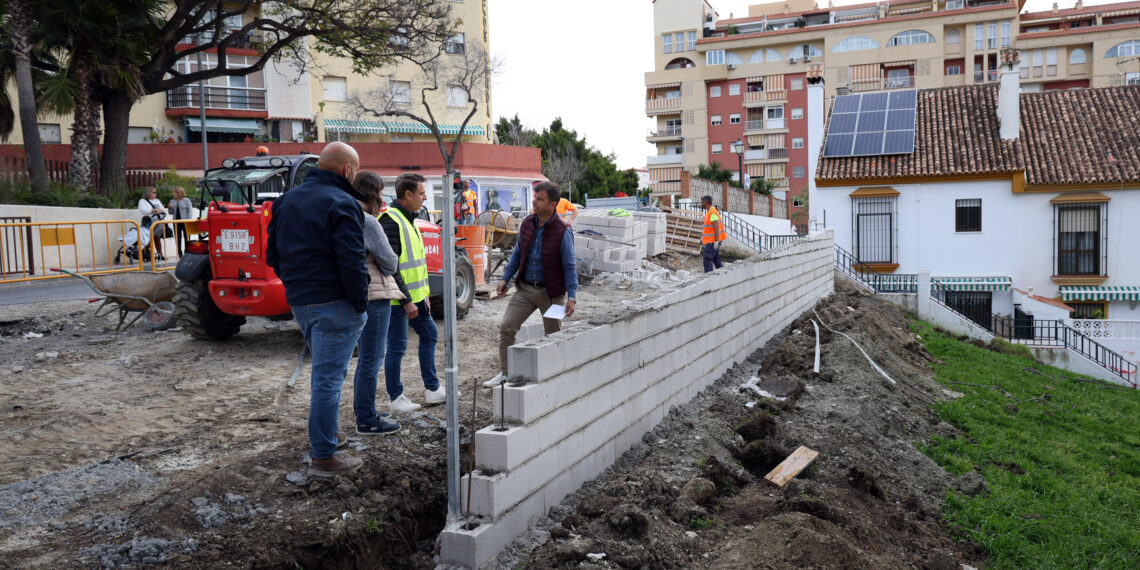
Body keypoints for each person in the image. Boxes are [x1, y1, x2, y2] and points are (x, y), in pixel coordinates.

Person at [266, 141, 369, 478]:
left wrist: (297, 288)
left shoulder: (285, 201)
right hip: (336, 303)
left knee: (324, 374)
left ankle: (329, 435)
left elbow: (273, 256)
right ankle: (324, 458)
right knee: (328, 379)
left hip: (301, 302)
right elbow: (352, 261)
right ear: (347, 170)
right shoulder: (343, 202)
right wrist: (360, 303)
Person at [485, 181, 578, 387]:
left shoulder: (563, 231)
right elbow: (518, 254)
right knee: (507, 327)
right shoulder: (527, 223)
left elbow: (569, 265)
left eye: (539, 199)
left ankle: (554, 378)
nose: (534, 202)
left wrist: (571, 297)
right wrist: (504, 278)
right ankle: (506, 374)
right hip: (525, 290)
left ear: (552, 204)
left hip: (552, 293)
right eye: (535, 197)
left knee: (553, 336)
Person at [380, 173, 455, 412]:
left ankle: (432, 389)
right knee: (397, 347)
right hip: (398, 300)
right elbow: (390, 267)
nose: (425, 198)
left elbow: (416, 265)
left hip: (414, 298)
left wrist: (423, 298)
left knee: (430, 334)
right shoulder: (390, 221)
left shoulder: (408, 218)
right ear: (408, 194)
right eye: (421, 193)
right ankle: (396, 398)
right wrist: (408, 301)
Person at [350, 170, 405, 436]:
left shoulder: (345, 215)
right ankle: (367, 420)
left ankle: (363, 410)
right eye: (381, 193)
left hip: (356, 295)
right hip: (376, 294)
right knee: (372, 360)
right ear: (373, 193)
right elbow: (390, 261)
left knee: (364, 360)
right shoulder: (368, 221)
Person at [138, 187, 167, 260]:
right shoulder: (142, 201)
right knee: (148, 238)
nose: (155, 194)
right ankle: (148, 255)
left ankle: (160, 254)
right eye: (154, 192)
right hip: (148, 221)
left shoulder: (157, 200)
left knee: (157, 238)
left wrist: (159, 210)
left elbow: (163, 209)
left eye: (155, 192)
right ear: (149, 193)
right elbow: (143, 211)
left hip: (157, 220)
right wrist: (153, 210)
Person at [700, 195, 726, 273]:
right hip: (712, 240)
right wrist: (703, 239)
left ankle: (708, 278)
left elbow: (716, 227)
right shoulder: (710, 212)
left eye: (702, 202)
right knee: (716, 258)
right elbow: (708, 229)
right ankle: (723, 274)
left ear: (705, 202)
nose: (702, 204)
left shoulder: (712, 213)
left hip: (713, 241)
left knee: (707, 258)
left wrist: (716, 241)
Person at [167, 186, 193, 257]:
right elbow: (170, 213)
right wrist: (169, 208)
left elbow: (190, 211)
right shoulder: (172, 201)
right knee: (177, 238)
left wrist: (188, 221)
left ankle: (187, 252)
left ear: (178, 192)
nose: (173, 194)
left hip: (185, 222)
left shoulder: (187, 200)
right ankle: (180, 253)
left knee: (187, 238)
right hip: (176, 222)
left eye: (174, 192)